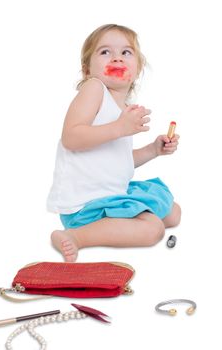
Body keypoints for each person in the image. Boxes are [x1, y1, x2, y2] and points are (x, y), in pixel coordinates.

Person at [47, 24, 181, 262]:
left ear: (137, 69)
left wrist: (153, 150)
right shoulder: (94, 89)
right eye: (105, 52)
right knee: (153, 229)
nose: (117, 58)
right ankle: (76, 236)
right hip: (84, 205)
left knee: (173, 214)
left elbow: (118, 162)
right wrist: (119, 127)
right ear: (87, 69)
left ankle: (117, 227)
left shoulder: (124, 109)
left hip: (111, 193)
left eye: (126, 53)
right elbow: (71, 138)